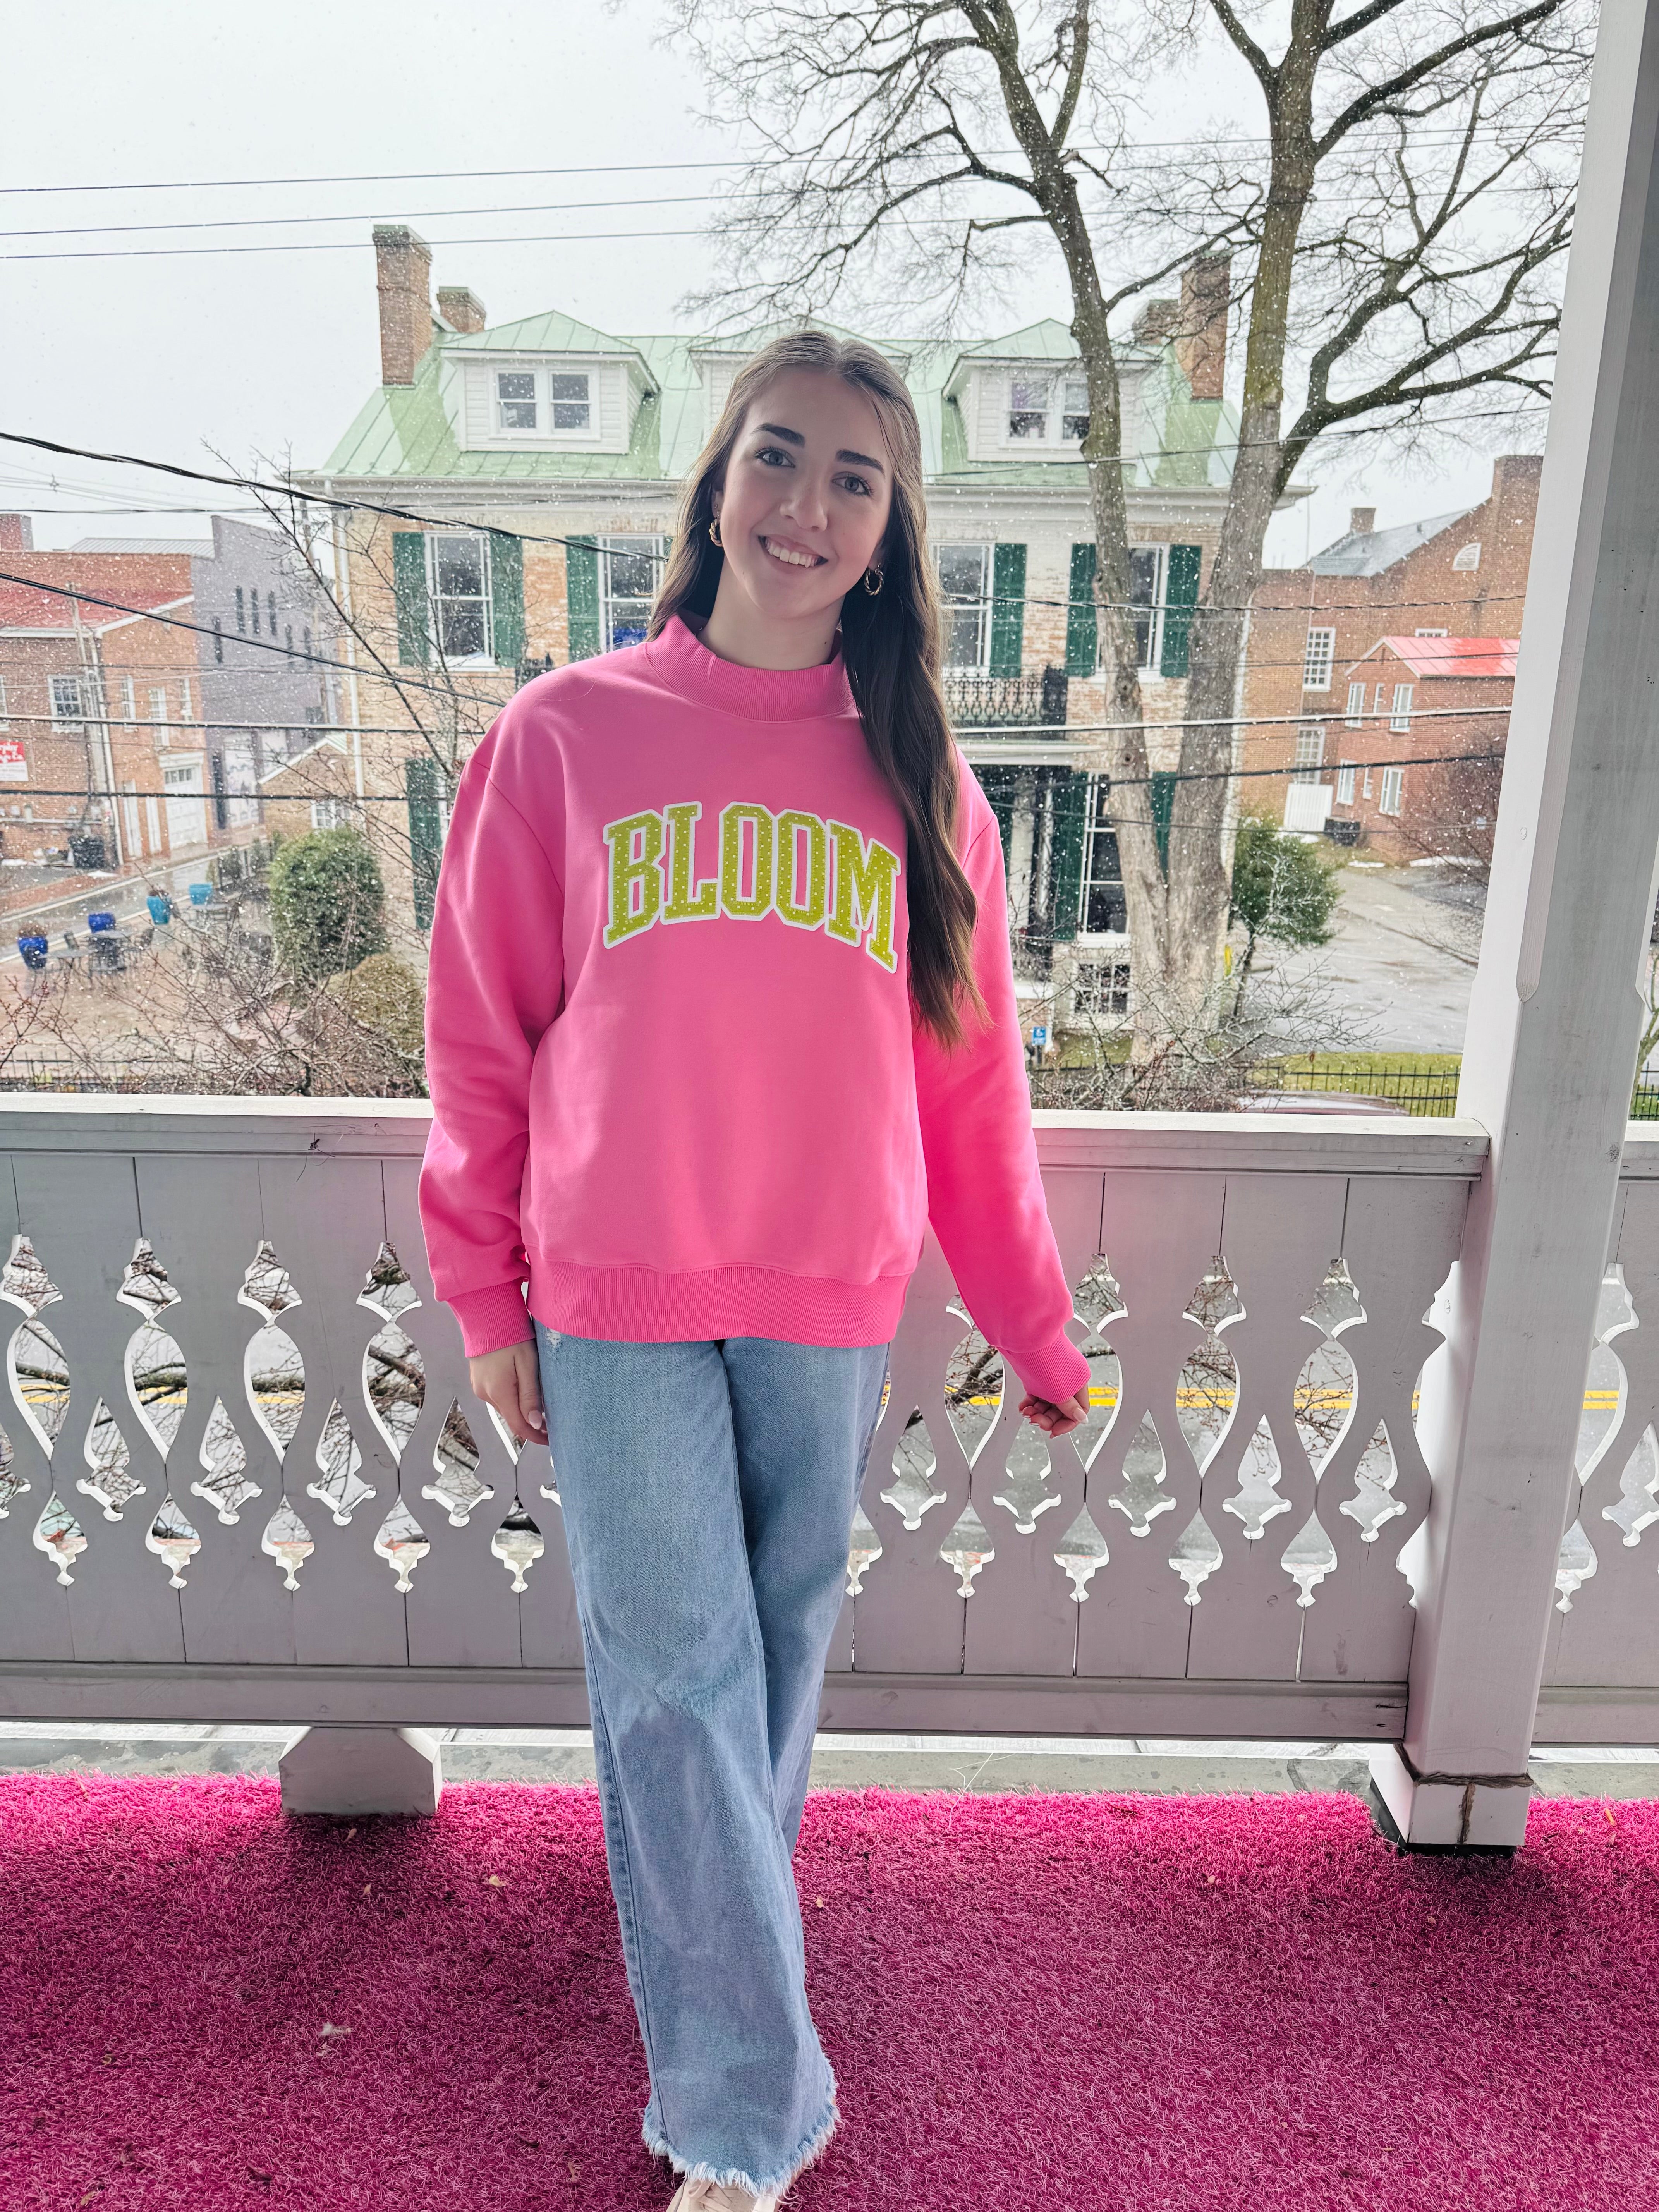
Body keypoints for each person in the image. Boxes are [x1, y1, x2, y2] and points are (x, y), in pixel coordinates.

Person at [417, 329, 1093, 2212]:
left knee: (770, 1671)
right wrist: (483, 1297)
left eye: (855, 479)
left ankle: (722, 1952)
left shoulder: (923, 786)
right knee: (675, 1682)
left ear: (891, 533)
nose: (808, 506)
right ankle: (743, 2102)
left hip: (829, 1297)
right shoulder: (564, 736)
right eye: (779, 457)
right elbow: (480, 1040)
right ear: (717, 483)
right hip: (611, 1294)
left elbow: (974, 1091)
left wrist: (1035, 1326)